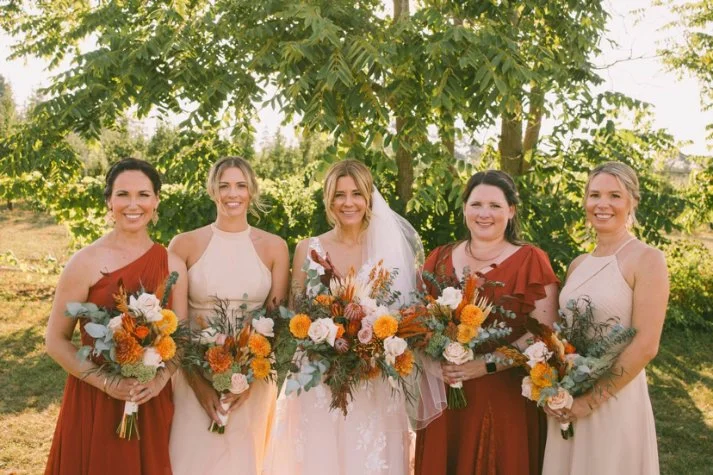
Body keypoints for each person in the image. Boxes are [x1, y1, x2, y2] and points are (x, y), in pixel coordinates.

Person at [264, 159, 424, 475]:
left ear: (368, 198)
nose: (347, 203)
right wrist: (326, 339)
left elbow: (403, 320)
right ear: (328, 199)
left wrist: (370, 347)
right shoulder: (307, 249)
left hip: (371, 377)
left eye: (356, 194)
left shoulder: (387, 250)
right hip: (317, 377)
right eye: (339, 194)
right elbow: (298, 316)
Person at [45, 158, 188, 475]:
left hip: (149, 399)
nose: (133, 204)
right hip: (94, 398)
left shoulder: (173, 264)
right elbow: (55, 341)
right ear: (109, 201)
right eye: (123, 194)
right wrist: (106, 382)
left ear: (156, 201)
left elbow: (182, 339)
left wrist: (160, 380)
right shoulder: (84, 262)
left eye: (143, 194)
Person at [415, 169, 560, 475]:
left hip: (504, 394)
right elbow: (415, 321)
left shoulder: (531, 259)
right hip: (446, 395)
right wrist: (435, 361)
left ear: (511, 211)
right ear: (464, 207)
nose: (484, 213)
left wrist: (484, 365)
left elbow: (542, 334)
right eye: (476, 204)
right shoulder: (438, 259)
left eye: (495, 206)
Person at [542, 161, 667, 474]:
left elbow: (646, 345)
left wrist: (589, 402)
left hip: (615, 399)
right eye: (594, 194)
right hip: (569, 396)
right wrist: (556, 384)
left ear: (631, 202)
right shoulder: (578, 263)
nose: (602, 204)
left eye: (614, 195)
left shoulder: (647, 259)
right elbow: (564, 337)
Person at [168, 156, 289, 475]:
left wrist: (247, 379)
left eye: (240, 185)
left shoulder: (274, 247)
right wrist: (200, 385)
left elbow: (276, 325)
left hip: (254, 379)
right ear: (212, 190)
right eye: (224, 186)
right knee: (189, 460)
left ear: (252, 191)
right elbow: (177, 328)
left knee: (244, 462)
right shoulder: (184, 245)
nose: (232, 193)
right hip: (194, 373)